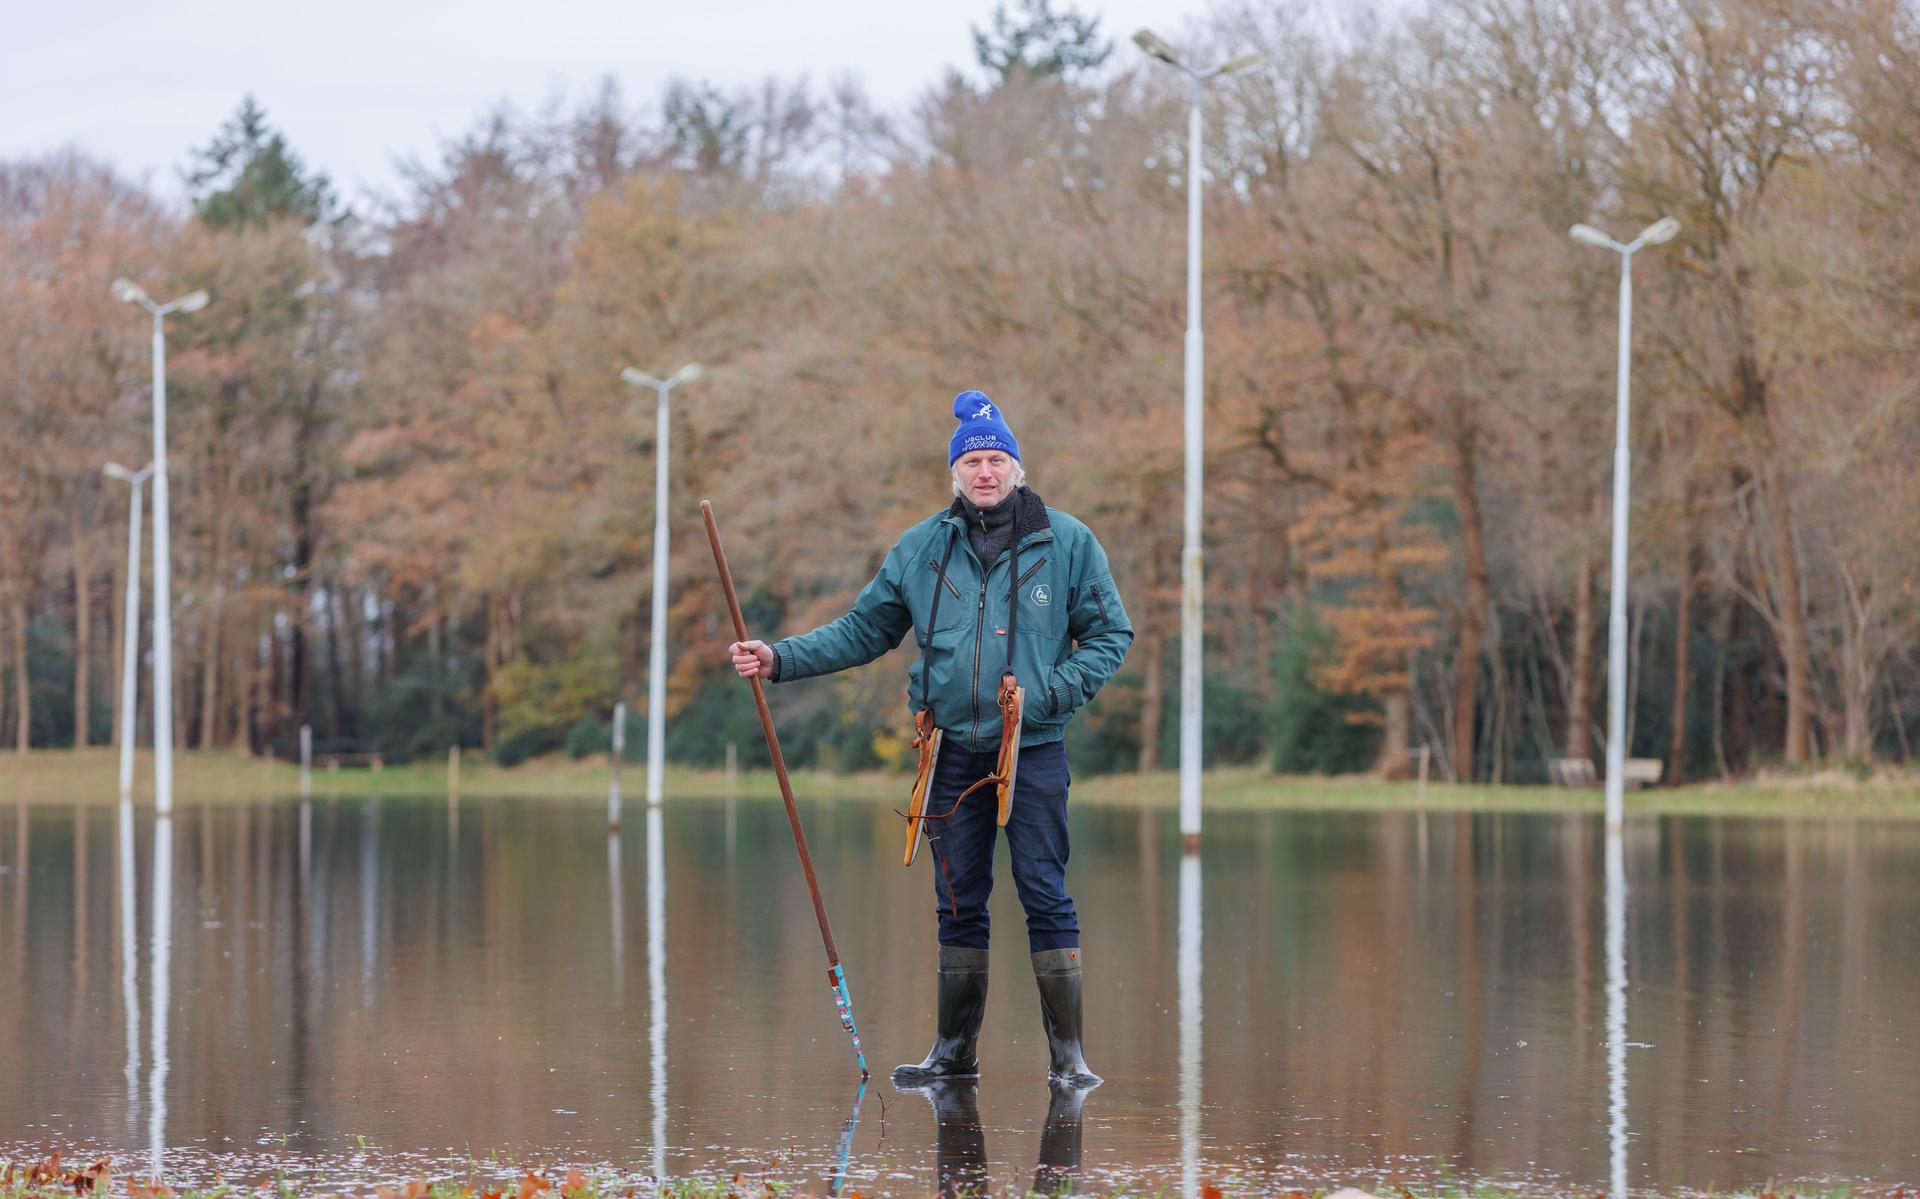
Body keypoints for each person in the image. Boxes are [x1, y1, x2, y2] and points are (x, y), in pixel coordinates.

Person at [727, 390, 1132, 1086]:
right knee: (958, 900)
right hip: (946, 753)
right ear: (955, 472)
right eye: (972, 459)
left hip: (1030, 750)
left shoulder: (1069, 543)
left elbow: (1110, 635)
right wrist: (780, 657)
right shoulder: (920, 549)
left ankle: (1070, 1061)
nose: (985, 471)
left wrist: (1052, 697)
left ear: (1017, 468)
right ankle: (954, 1054)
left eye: (996, 458)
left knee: (1044, 890)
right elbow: (862, 631)